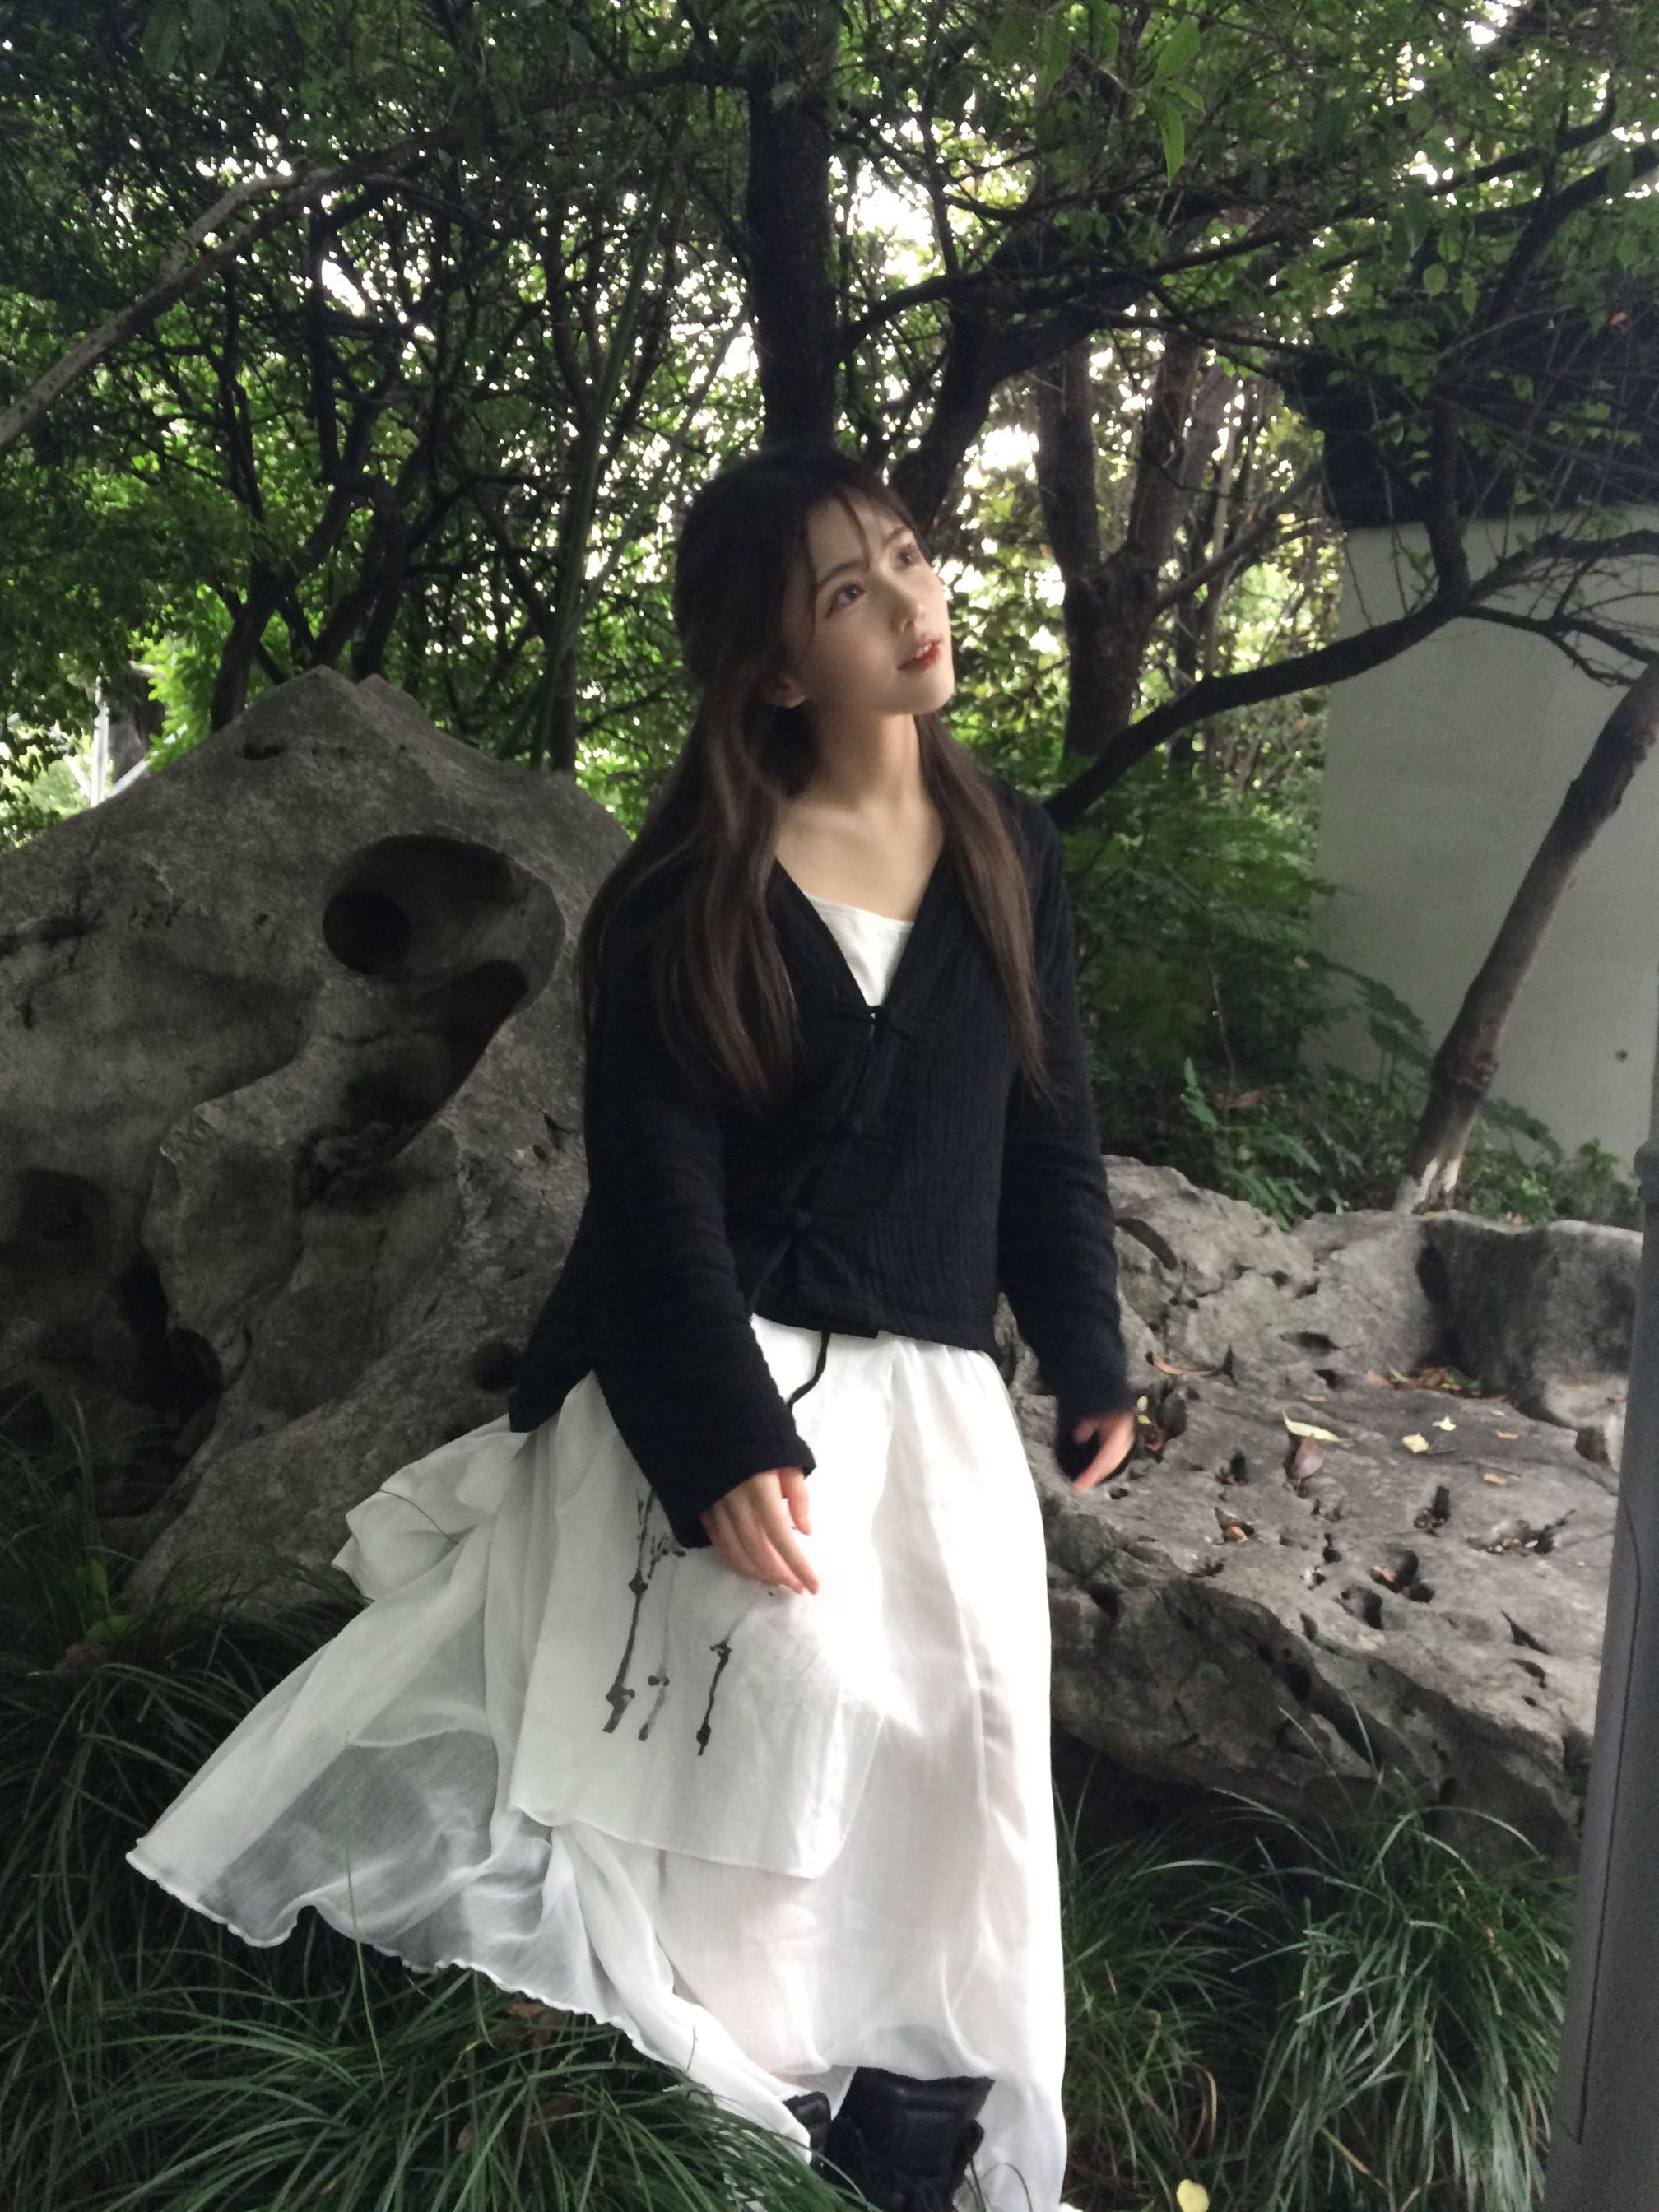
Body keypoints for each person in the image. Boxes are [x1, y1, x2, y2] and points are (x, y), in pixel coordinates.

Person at [125, 442, 1139, 2212]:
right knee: (784, 1701)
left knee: (952, 1736)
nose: (911, 606)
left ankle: (912, 2098)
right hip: (710, 1374)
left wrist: (1087, 1345)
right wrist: (721, 1437)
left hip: (933, 1402)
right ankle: (751, 2089)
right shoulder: (690, 892)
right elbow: (655, 1192)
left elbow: (1047, 1124)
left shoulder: (1009, 849)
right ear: (776, 665)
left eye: (909, 557)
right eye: (849, 593)